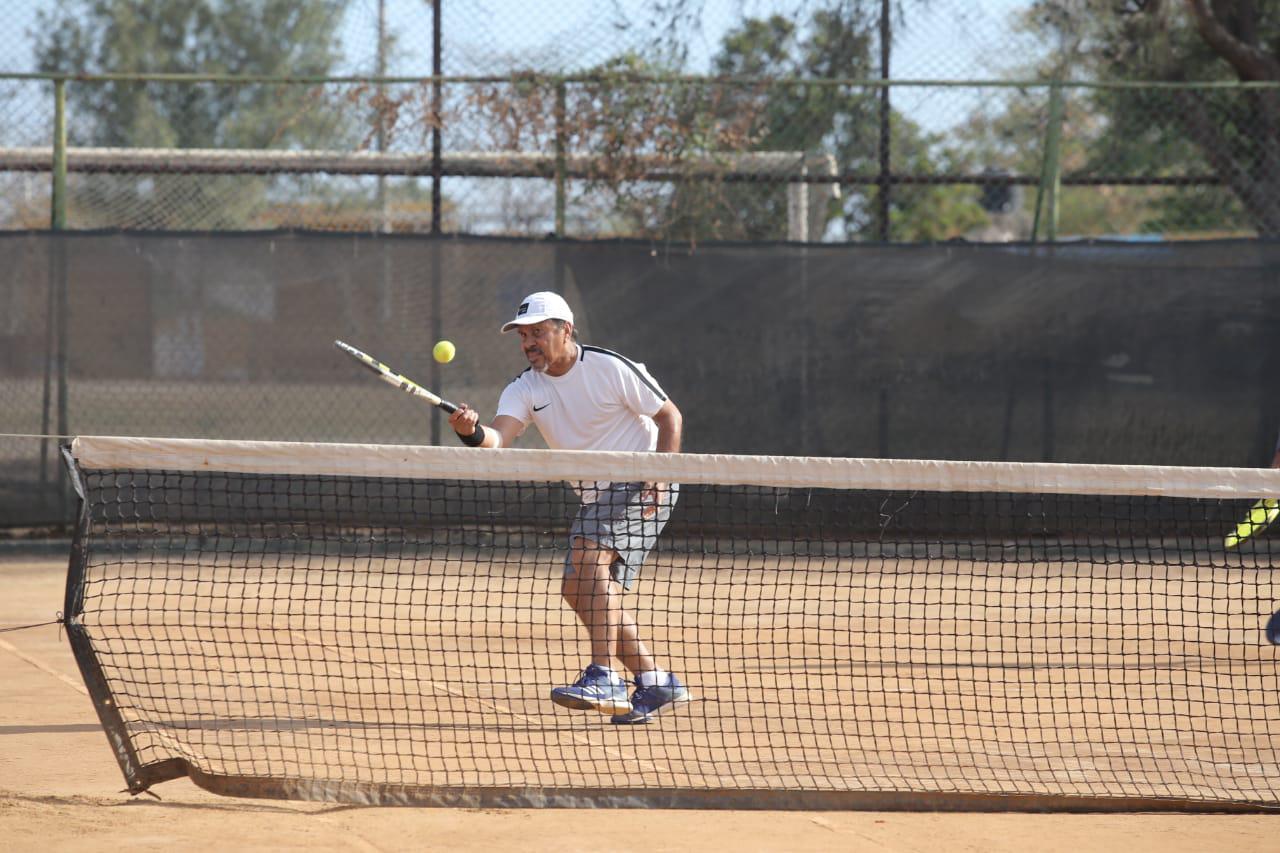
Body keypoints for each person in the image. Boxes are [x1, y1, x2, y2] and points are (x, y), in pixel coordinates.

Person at [446, 291, 690, 724]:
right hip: (598, 496)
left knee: (589, 554)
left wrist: (661, 472)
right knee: (578, 590)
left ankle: (604, 675)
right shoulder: (525, 387)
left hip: (642, 479)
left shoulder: (609, 367)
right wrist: (472, 431)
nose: (529, 343)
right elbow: (498, 440)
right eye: (523, 335)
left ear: (566, 330)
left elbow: (669, 416)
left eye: (538, 332)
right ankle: (653, 680)